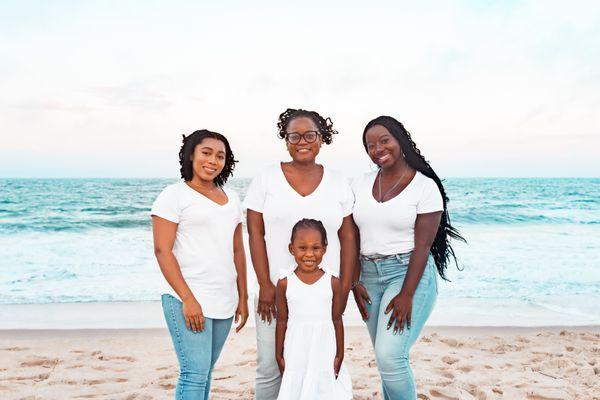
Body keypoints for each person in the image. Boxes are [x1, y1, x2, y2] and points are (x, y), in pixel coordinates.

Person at [244, 108, 357, 399]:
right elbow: (255, 233)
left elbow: (348, 235)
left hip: (323, 294)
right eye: (294, 135)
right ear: (286, 139)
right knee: (271, 366)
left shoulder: (338, 181)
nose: (302, 141)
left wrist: (345, 286)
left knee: (322, 365)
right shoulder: (266, 179)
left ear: (322, 139)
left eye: (310, 135)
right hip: (275, 291)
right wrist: (265, 285)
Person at [351, 116, 464, 400]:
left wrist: (407, 294)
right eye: (370, 145)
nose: (377, 149)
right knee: (385, 358)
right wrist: (354, 281)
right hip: (368, 276)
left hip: (407, 274)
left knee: (390, 357)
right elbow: (350, 237)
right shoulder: (358, 185)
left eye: (384, 140)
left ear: (400, 140)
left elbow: (423, 246)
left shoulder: (424, 187)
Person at [151, 129, 249, 400]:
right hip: (188, 296)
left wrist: (243, 296)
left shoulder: (231, 198)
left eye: (220, 156)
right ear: (191, 154)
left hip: (224, 297)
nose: (213, 161)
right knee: (193, 374)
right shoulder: (174, 195)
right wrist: (188, 299)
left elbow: (238, 250)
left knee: (205, 372)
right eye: (206, 153)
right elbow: (162, 251)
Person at [275, 219, 352, 400]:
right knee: (297, 389)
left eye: (316, 248)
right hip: (296, 347)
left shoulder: (333, 281)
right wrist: (278, 354)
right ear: (291, 249)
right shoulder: (284, 282)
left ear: (324, 249)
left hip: (324, 346)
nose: (309, 254)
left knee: (324, 389)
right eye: (302, 248)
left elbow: (337, 319)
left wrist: (340, 354)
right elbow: (281, 321)